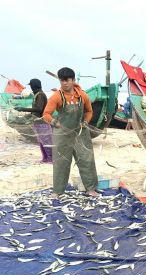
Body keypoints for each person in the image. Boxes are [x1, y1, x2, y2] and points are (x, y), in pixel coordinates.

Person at [42, 67, 99, 197]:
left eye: (67, 80)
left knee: (86, 160)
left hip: (80, 134)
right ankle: (58, 191)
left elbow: (89, 112)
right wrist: (54, 122)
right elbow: (46, 114)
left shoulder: (82, 95)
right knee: (61, 162)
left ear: (73, 80)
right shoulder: (57, 96)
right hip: (62, 134)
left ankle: (91, 189)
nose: (64, 83)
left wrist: (85, 122)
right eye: (61, 80)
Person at [14, 79, 52, 163]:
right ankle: (45, 158)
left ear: (34, 86)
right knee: (41, 141)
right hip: (37, 122)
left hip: (43, 122)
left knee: (46, 141)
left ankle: (50, 159)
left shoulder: (41, 95)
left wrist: (23, 109)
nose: (31, 87)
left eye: (31, 86)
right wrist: (28, 115)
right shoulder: (37, 94)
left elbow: (39, 109)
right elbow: (36, 110)